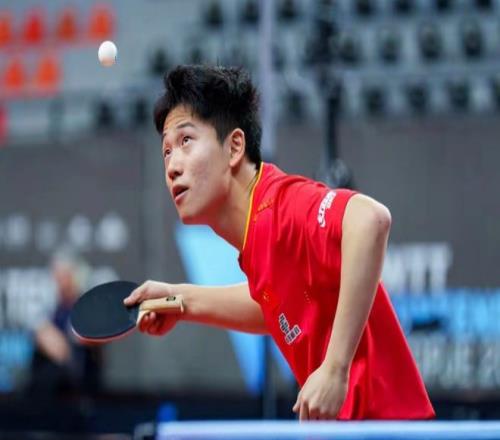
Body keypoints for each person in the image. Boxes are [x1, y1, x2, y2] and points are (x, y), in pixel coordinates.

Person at [124, 65, 435, 420]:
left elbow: (370, 220)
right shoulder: (258, 235)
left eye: (186, 142)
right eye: (166, 152)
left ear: (234, 147)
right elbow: (271, 304)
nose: (172, 167)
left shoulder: (281, 205)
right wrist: (179, 301)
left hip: (391, 428)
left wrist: (335, 369)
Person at [28, 250, 100, 398]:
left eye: (63, 275)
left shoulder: (87, 308)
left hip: (79, 389)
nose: (58, 281)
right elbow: (44, 337)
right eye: (56, 275)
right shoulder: (51, 309)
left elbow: (67, 350)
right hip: (48, 391)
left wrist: (64, 343)